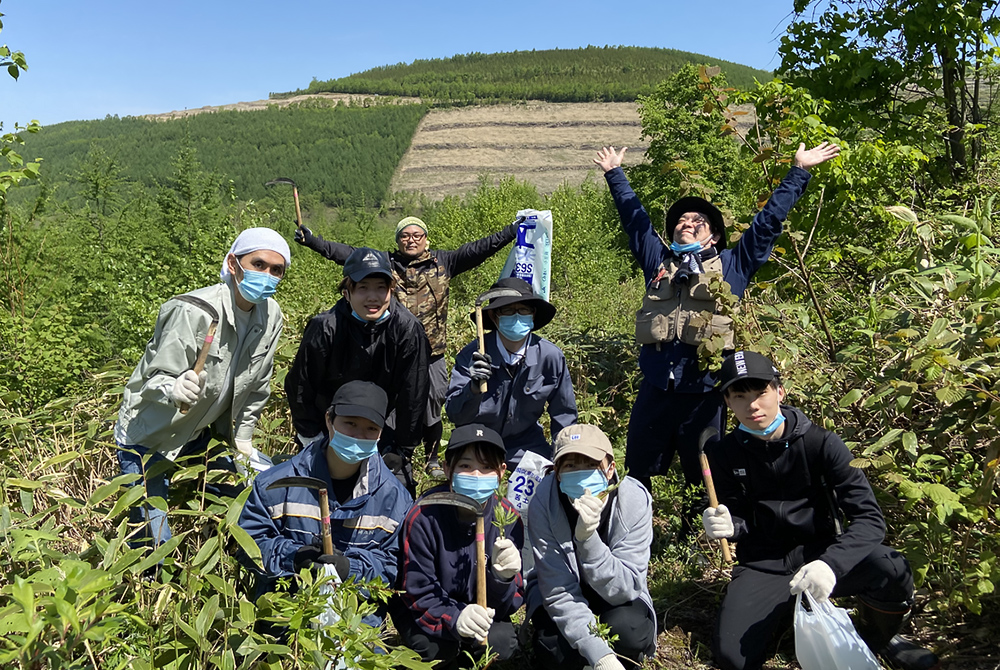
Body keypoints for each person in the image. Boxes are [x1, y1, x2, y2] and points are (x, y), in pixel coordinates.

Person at [592, 142, 840, 529]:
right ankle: (634, 541)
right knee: (638, 470)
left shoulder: (732, 265)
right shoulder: (660, 263)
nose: (686, 223)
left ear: (714, 236)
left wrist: (799, 171)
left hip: (705, 394)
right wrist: (615, 174)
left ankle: (703, 544)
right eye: (680, 221)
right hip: (656, 388)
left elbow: (768, 223)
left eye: (697, 221)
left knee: (704, 472)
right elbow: (634, 219)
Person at [703, 350, 939, 670]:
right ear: (728, 403)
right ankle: (788, 616)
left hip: (821, 554)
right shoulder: (723, 453)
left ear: (780, 391)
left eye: (761, 393)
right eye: (740, 396)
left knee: (891, 567)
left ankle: (876, 638)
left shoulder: (822, 444)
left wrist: (830, 564)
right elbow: (740, 515)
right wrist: (730, 525)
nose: (753, 405)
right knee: (733, 658)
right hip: (764, 564)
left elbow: (869, 519)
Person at [294, 215, 517, 477]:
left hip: (430, 351)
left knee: (430, 402)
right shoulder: (385, 264)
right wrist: (312, 241)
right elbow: (345, 253)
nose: (411, 239)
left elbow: (480, 248)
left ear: (426, 239)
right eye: (405, 235)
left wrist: (511, 232)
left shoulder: (444, 262)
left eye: (417, 235)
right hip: (385, 349)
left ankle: (430, 456)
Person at [115, 227, 290, 547]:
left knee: (251, 507)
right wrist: (173, 388)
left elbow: (258, 385)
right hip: (149, 438)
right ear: (233, 264)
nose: (267, 275)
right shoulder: (194, 311)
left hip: (204, 434)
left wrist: (243, 439)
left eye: (276, 270)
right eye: (258, 264)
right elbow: (152, 379)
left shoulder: (271, 315)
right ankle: (148, 588)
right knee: (154, 541)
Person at [239, 380, 413, 627]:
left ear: (381, 433)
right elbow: (249, 543)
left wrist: (349, 568)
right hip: (286, 612)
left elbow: (394, 566)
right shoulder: (277, 484)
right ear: (329, 420)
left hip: (356, 622)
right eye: (350, 424)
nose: (358, 436)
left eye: (370, 429)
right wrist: (295, 557)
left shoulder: (394, 498)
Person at [285, 247, 430, 493]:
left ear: (391, 291)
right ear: (347, 292)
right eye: (363, 288)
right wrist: (312, 437)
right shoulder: (326, 326)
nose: (372, 297)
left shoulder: (407, 329)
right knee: (316, 490)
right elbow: (301, 384)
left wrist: (403, 449)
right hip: (329, 425)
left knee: (393, 492)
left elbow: (413, 393)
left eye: (380, 288)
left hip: (383, 426)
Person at [390, 424, 524, 668]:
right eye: (465, 466)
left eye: (486, 468)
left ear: (501, 472)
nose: (476, 476)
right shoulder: (424, 515)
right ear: (447, 468)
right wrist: (454, 617)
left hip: (481, 609)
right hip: (426, 609)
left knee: (501, 642)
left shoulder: (508, 518)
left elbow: (508, 604)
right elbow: (417, 588)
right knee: (435, 647)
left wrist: (502, 579)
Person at [525, 424, 657, 670]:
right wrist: (600, 654)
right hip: (563, 592)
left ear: (610, 469)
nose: (580, 472)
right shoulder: (543, 502)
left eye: (589, 463)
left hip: (616, 593)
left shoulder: (634, 499)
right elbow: (558, 591)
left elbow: (625, 588)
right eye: (570, 466)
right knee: (553, 649)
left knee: (628, 631)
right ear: (557, 472)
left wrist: (588, 540)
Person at [445, 277, 577, 467]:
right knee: (468, 483)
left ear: (533, 315)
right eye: (508, 310)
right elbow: (455, 415)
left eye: (523, 310)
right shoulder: (473, 354)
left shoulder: (550, 356)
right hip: (478, 439)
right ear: (494, 316)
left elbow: (564, 414)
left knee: (546, 482)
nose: (517, 316)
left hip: (525, 443)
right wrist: (472, 389)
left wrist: (564, 457)